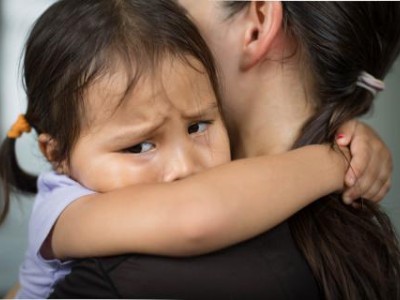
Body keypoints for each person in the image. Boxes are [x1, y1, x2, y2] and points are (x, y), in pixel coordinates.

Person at [0, 0, 379, 298]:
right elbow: (195, 216)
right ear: (56, 155)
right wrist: (336, 160)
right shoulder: (63, 211)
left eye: (198, 127)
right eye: (140, 146)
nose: (185, 167)